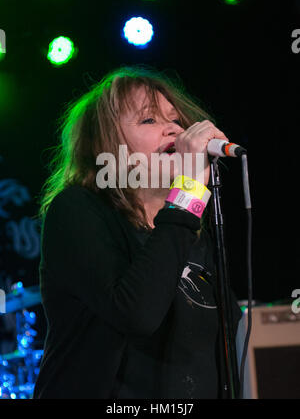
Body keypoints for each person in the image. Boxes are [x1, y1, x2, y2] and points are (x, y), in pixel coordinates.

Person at [33, 65, 242, 399]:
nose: (174, 129)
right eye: (149, 120)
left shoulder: (190, 230)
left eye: (175, 119)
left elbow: (227, 344)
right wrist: (188, 194)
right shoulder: (76, 210)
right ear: (106, 143)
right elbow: (137, 314)